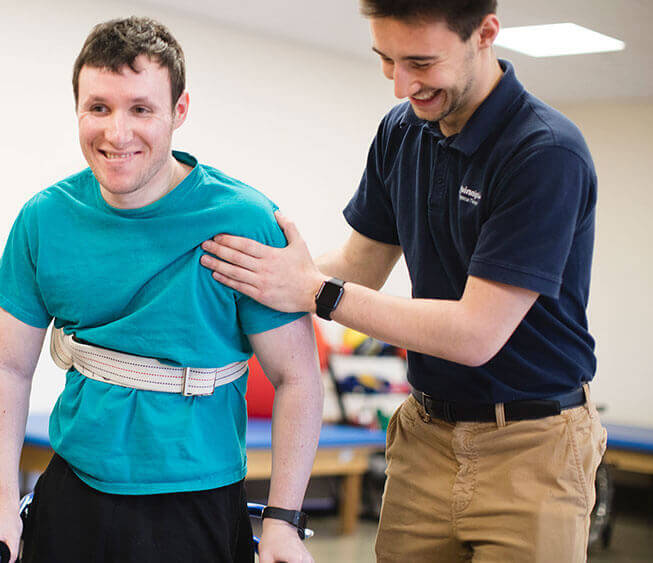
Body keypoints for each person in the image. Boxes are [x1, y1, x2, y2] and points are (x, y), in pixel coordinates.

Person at [200, 1, 605, 561]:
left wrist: (316, 291)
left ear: (485, 33)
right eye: (386, 60)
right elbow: (360, 262)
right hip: (426, 434)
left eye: (420, 62)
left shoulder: (545, 152)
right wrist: (254, 287)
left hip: (531, 446)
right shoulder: (403, 130)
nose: (401, 85)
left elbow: (475, 333)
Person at [0, 16, 323, 563]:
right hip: (74, 486)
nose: (117, 133)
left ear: (179, 111)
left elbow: (296, 376)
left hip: (196, 497)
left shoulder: (244, 221)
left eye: (141, 109)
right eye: (99, 108)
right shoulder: (45, 219)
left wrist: (282, 520)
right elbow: (6, 367)